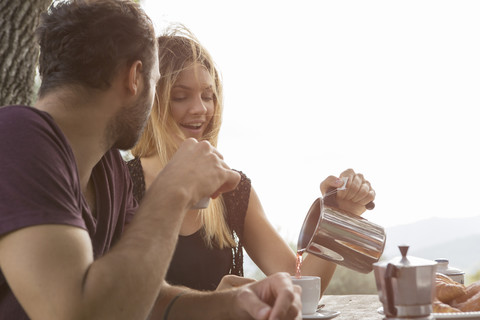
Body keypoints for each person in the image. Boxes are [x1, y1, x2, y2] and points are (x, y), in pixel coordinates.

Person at [0, 1, 302, 320]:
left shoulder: (109, 172)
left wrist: (233, 302)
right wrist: (175, 188)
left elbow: (145, 298)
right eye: (158, 83)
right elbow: (75, 313)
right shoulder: (17, 136)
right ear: (136, 77)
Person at [128, 25, 376, 293]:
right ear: (151, 103)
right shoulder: (119, 185)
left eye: (208, 96)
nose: (200, 109)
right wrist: (214, 304)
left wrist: (339, 215)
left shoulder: (233, 191)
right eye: (180, 96)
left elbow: (300, 285)